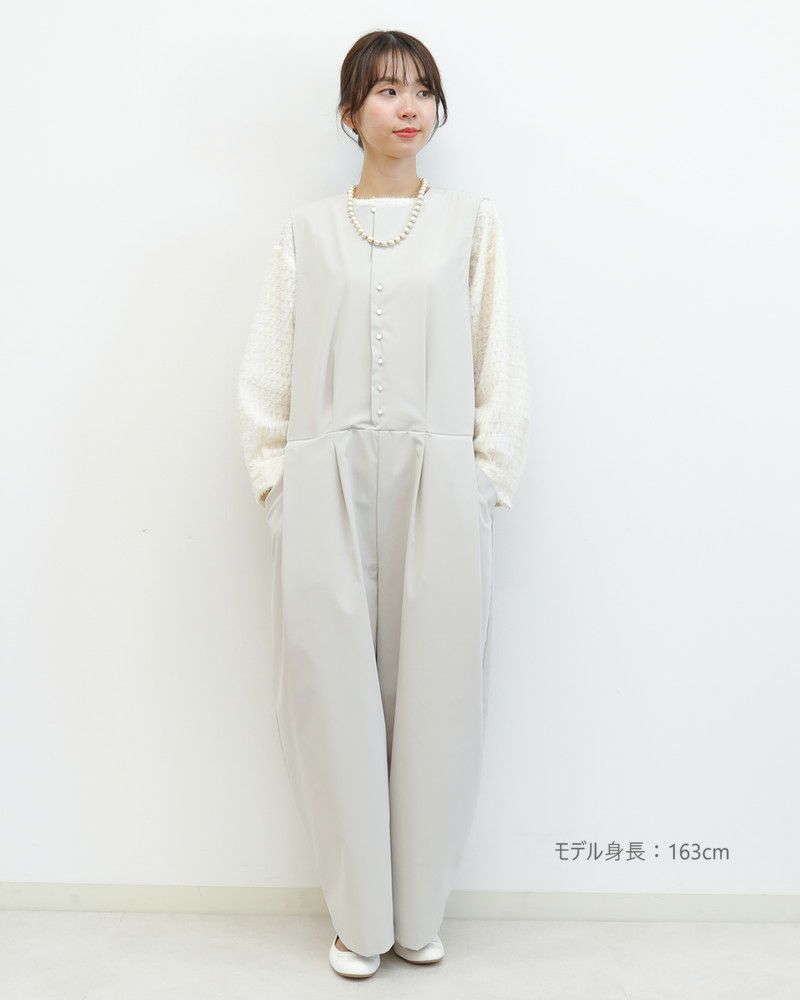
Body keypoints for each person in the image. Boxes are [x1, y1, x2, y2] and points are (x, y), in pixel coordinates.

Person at [237, 29, 530, 979]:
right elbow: (269, 365)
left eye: (422, 90)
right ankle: (358, 919)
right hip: (321, 482)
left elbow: (498, 355)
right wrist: (277, 477)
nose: (409, 106)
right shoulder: (307, 231)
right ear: (349, 111)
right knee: (331, 701)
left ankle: (417, 913)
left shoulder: (471, 225)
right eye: (387, 90)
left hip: (439, 481)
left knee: (442, 693)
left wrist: (484, 475)